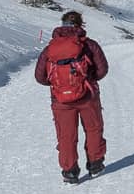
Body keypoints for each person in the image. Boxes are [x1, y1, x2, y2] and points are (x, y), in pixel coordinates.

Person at [34, 10, 109, 183]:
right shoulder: (89, 45)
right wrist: (88, 80)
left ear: (62, 24)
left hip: (60, 100)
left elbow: (40, 77)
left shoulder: (50, 48)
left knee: (66, 135)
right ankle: (95, 165)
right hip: (88, 97)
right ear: (80, 24)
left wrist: (58, 86)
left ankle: (69, 172)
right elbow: (102, 69)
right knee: (93, 129)